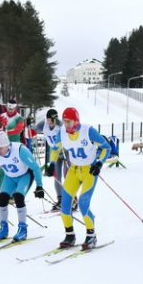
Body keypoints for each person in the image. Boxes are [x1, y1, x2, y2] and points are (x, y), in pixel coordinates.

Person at [48, 107, 112, 249]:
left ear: (76, 121)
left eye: (69, 122)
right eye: (64, 122)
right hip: (74, 170)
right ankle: (70, 235)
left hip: (89, 170)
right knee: (64, 204)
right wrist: (51, 164)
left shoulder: (88, 131)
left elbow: (106, 148)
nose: (66, 125)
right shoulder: (62, 133)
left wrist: (99, 163)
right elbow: (55, 149)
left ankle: (91, 235)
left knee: (83, 203)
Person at [0, 130, 44, 241]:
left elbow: (35, 167)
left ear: (7, 145)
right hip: (9, 177)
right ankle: (3, 228)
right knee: (2, 199)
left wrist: (39, 186)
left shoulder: (20, 150)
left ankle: (23, 229)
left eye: (1, 148)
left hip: (24, 176)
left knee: (19, 197)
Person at [42, 108, 65, 210]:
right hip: (55, 153)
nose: (54, 121)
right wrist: (29, 125)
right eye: (52, 119)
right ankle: (60, 199)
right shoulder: (44, 125)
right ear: (48, 119)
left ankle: (73, 199)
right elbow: (33, 128)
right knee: (57, 177)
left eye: (55, 119)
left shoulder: (60, 125)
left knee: (68, 176)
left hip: (66, 152)